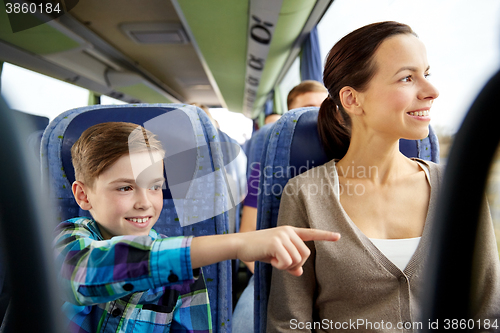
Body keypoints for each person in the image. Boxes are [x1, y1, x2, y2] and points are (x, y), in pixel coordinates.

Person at [266, 21, 500, 332]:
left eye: (426, 75)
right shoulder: (304, 195)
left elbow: (488, 313)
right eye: (407, 78)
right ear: (352, 99)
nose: (432, 91)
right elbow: (288, 324)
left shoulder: (455, 187)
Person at [53, 122, 340, 333]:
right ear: (83, 195)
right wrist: (236, 244)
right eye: (125, 187)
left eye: (155, 187)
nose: (144, 203)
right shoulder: (68, 239)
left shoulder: (186, 274)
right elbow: (83, 272)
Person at [232, 80, 328, 333]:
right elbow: (247, 235)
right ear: (289, 117)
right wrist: (265, 277)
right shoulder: (265, 169)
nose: (319, 116)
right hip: (275, 274)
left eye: (325, 107)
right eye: (309, 108)